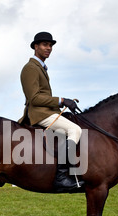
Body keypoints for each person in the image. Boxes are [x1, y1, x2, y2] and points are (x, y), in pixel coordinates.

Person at [19, 31, 84, 192]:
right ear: (36, 46)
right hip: (39, 113)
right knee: (74, 130)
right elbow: (34, 98)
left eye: (50, 45)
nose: (48, 48)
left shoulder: (41, 67)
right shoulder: (30, 68)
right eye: (44, 45)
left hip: (48, 111)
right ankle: (62, 177)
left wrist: (63, 104)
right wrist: (61, 101)